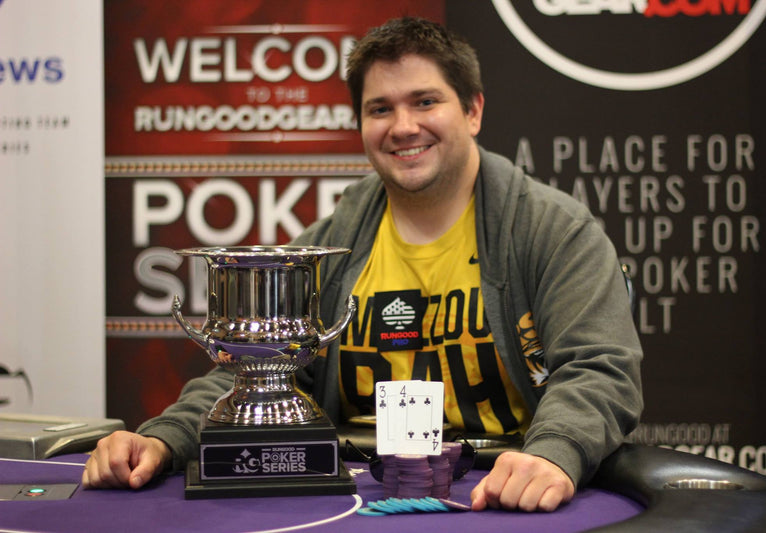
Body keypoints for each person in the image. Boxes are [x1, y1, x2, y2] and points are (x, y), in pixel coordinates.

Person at [83, 17, 643, 513]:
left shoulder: (554, 232)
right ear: (360, 125)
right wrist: (162, 439)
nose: (403, 126)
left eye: (425, 101)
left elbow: (600, 369)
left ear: (473, 111)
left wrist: (553, 453)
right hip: (356, 497)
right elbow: (251, 374)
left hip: (503, 490)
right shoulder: (330, 247)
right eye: (380, 108)